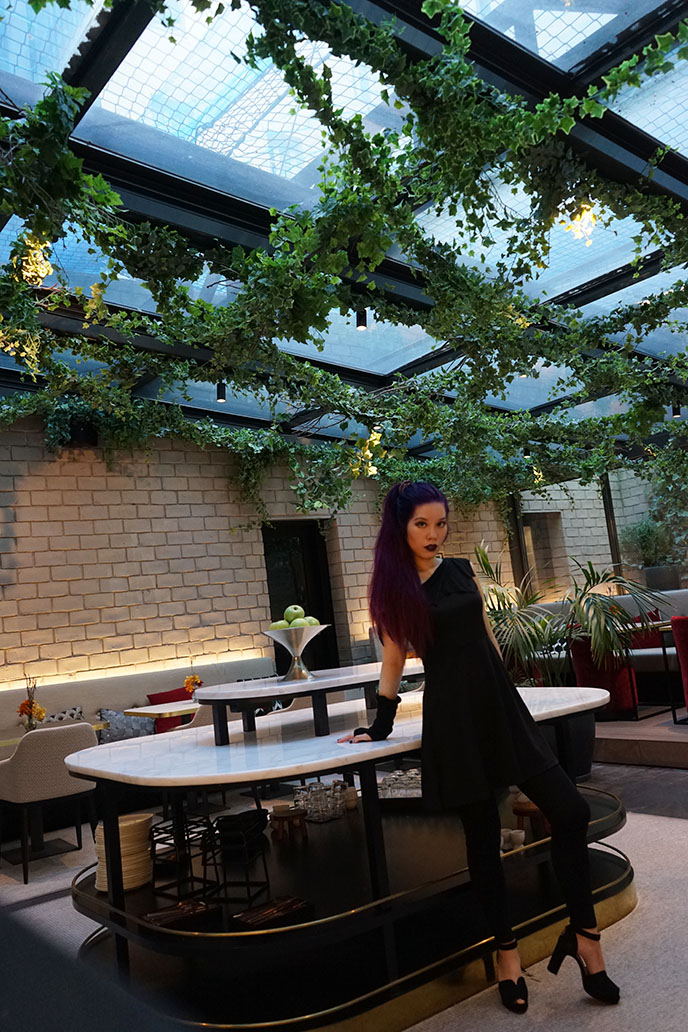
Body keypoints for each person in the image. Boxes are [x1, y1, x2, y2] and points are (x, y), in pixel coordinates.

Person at [338, 481, 619, 1013]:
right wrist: (380, 723)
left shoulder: (460, 569)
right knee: (482, 841)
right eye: (422, 523)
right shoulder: (395, 590)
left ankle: (584, 937)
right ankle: (506, 954)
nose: (433, 534)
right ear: (400, 526)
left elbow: (486, 632)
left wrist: (512, 689)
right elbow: (395, 659)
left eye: (440, 523)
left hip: (497, 705)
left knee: (571, 809)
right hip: (453, 717)